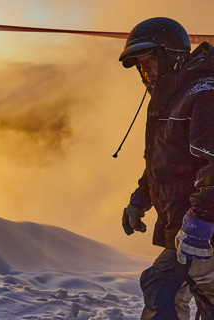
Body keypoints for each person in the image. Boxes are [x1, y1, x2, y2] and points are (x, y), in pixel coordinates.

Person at [119, 17, 214, 319]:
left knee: (162, 288)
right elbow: (166, 162)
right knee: (200, 293)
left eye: (150, 61)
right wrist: (140, 198)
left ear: (171, 55)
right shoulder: (169, 96)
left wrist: (199, 223)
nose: (145, 71)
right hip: (185, 228)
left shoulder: (203, 93)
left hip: (202, 229)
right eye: (141, 65)